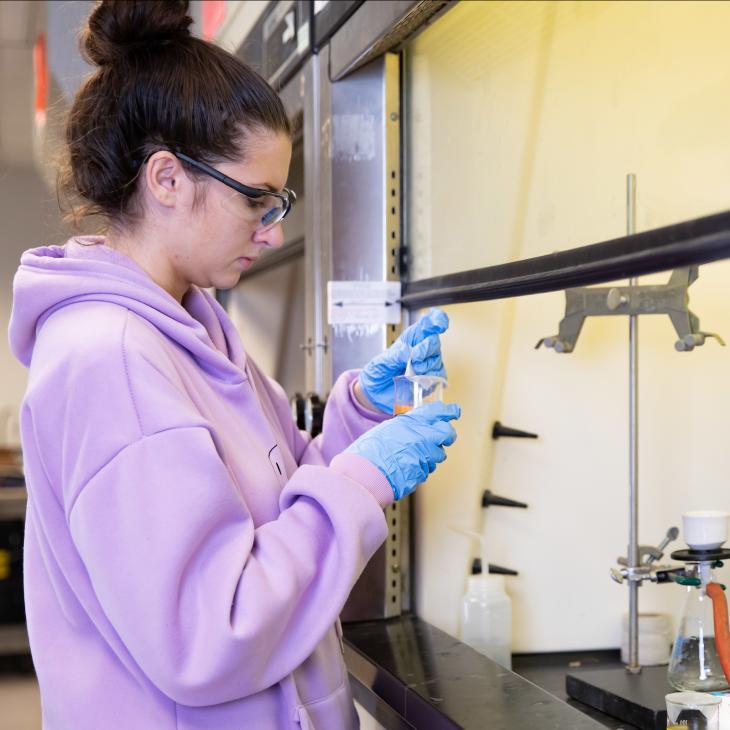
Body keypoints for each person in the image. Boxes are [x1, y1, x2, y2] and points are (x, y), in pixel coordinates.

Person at [8, 2, 461, 728]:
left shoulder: (192, 327)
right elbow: (209, 635)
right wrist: (358, 483)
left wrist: (359, 420)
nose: (274, 230)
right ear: (166, 180)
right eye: (258, 200)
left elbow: (275, 501)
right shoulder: (114, 361)